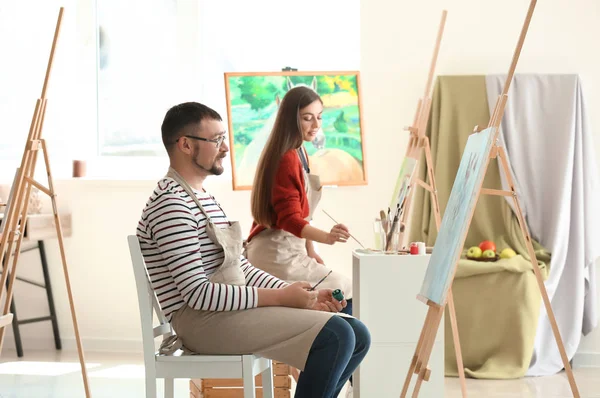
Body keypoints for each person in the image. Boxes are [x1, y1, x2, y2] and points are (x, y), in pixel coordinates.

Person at [136, 102, 370, 398]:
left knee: (358, 335)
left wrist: (301, 295)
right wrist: (282, 297)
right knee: (336, 336)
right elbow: (197, 293)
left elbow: (241, 268)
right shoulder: (171, 205)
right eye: (216, 140)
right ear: (185, 145)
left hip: (225, 313)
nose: (225, 148)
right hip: (201, 322)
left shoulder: (202, 197)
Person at [245, 86, 354, 316]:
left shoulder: (299, 152)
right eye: (307, 118)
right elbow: (289, 219)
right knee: (344, 290)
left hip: (288, 249)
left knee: (342, 291)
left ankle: (329, 348)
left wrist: (310, 249)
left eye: (319, 117)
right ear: (291, 119)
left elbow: (302, 214)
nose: (316, 125)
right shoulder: (286, 157)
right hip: (276, 254)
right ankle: (328, 349)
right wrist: (327, 237)